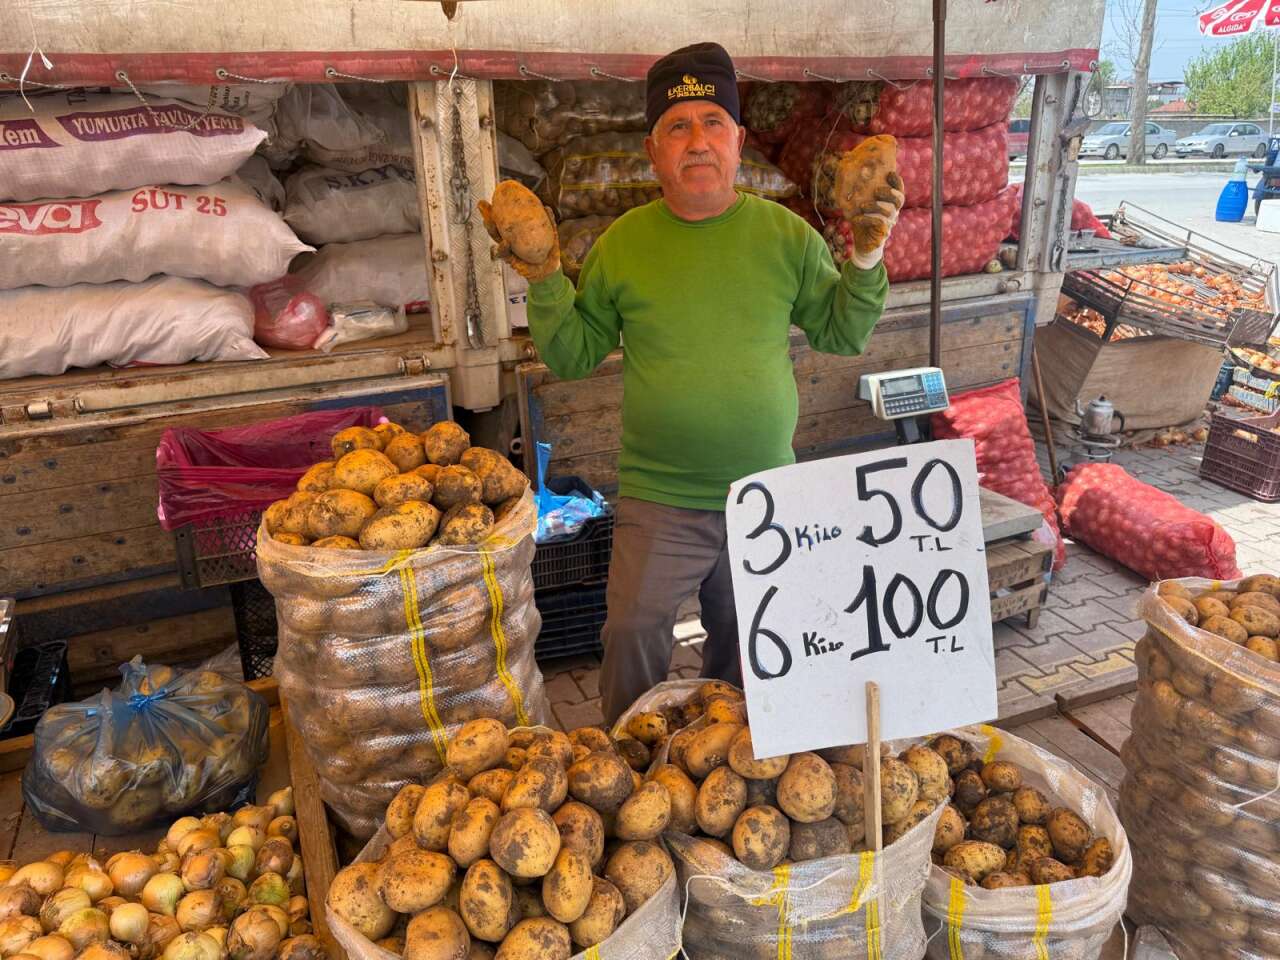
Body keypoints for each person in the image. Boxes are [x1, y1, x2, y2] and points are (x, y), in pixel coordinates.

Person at [492, 42, 903, 724]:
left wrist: (867, 253)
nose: (697, 142)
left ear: (739, 141)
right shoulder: (624, 243)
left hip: (764, 494)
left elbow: (843, 333)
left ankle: (735, 775)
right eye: (677, 127)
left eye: (713, 123)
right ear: (653, 151)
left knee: (750, 656)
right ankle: (627, 762)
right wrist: (542, 277)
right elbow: (572, 354)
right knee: (629, 636)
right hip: (661, 495)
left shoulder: (785, 235)